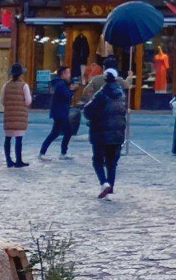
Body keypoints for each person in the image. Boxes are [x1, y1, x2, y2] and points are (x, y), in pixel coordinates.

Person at [83, 67, 130, 199]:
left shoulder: (101, 94)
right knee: (112, 163)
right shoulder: (122, 95)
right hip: (117, 133)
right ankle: (110, 190)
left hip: (100, 133)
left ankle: (104, 183)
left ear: (105, 79)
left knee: (97, 160)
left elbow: (88, 111)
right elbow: (123, 111)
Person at [40, 69, 75, 160]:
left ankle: (44, 152)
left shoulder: (60, 84)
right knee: (66, 132)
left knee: (56, 133)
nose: (69, 75)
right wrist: (72, 90)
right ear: (63, 74)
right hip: (60, 112)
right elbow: (67, 96)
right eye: (68, 73)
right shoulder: (61, 84)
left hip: (59, 112)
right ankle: (62, 153)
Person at [0, 63, 31, 168]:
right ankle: (19, 161)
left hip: (9, 115)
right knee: (18, 138)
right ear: (21, 74)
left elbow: (2, 101)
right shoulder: (24, 86)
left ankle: (8, 160)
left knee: (8, 138)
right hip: (20, 116)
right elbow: (28, 101)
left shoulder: (6, 85)